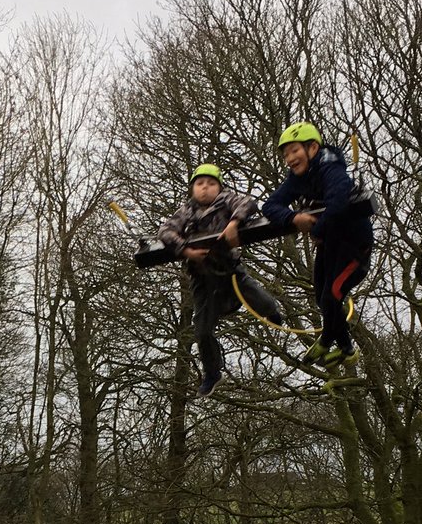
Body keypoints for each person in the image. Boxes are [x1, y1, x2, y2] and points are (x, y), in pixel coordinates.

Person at [158, 163, 283, 396]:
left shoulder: (226, 200)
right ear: (193, 188)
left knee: (260, 300)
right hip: (202, 276)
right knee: (202, 331)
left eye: (211, 184)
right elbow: (165, 231)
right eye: (200, 184)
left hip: (229, 269)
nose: (205, 188)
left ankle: (273, 313)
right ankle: (212, 372)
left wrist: (234, 223)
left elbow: (248, 203)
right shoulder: (187, 210)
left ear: (219, 186)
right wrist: (185, 250)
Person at [262, 122, 374, 369]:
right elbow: (270, 206)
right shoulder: (297, 179)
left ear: (312, 148)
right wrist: (294, 218)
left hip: (354, 247)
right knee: (321, 297)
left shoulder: (330, 168)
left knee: (332, 295)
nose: (289, 159)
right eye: (285, 154)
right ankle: (340, 345)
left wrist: (317, 231)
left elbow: (338, 201)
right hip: (331, 245)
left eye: (294, 151)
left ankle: (338, 345)